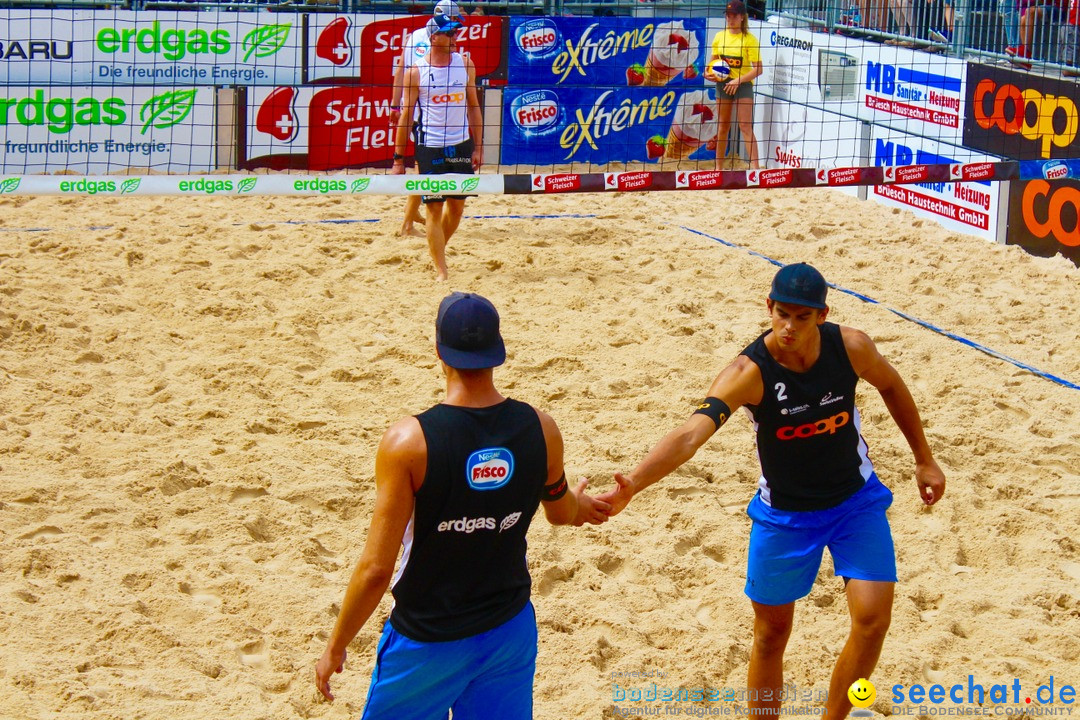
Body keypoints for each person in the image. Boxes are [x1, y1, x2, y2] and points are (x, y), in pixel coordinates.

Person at [596, 263, 946, 720]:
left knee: (873, 620)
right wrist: (634, 484)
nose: (789, 327)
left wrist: (924, 457)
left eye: (802, 318)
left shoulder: (851, 346)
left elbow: (892, 385)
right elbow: (690, 435)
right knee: (770, 635)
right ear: (769, 308)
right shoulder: (748, 371)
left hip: (854, 503)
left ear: (822, 315)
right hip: (784, 516)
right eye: (782, 314)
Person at [315, 292, 610, 717]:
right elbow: (561, 512)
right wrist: (581, 503)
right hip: (508, 631)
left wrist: (336, 645)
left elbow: (377, 569)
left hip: (428, 640)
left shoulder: (408, 443)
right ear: (497, 351)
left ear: (438, 350)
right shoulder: (541, 428)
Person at [392, 11, 482, 282]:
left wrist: (478, 147)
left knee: (456, 208)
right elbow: (406, 116)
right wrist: (398, 160)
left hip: (461, 145)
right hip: (430, 146)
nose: (456, 36)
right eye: (451, 32)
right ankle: (441, 269)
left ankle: (437, 248)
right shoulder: (416, 72)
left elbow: (474, 107)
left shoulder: (465, 64)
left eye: (457, 31)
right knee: (433, 207)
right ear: (434, 37)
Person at [388, 0, 465, 239]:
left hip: (420, 105)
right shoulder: (441, 38)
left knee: (421, 170)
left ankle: (409, 220)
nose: (456, 32)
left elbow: (399, 69)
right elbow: (403, 69)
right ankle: (408, 223)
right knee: (422, 171)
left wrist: (394, 102)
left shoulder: (415, 35)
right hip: (426, 111)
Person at [705, 0, 763, 170]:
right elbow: (711, 64)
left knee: (745, 126)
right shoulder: (719, 37)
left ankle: (755, 168)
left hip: (742, 84)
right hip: (723, 84)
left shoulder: (749, 40)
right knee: (723, 126)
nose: (730, 19)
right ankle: (718, 168)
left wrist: (738, 80)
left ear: (742, 17)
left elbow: (758, 70)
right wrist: (707, 73)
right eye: (728, 15)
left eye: (734, 15)